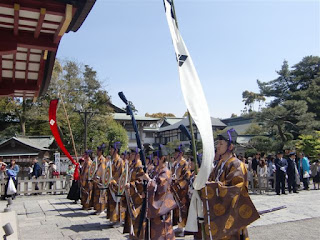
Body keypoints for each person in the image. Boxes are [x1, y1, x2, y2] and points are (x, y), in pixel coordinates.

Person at [200, 129, 259, 239]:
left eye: (221, 144)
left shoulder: (237, 165)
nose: (218, 146)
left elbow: (235, 189)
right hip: (220, 212)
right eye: (218, 143)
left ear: (230, 147)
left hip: (231, 214)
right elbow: (211, 180)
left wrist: (212, 186)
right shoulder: (220, 164)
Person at [140, 145, 177, 240]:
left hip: (162, 206)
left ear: (162, 158)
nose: (155, 160)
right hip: (156, 207)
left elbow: (160, 188)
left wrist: (148, 179)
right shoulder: (157, 170)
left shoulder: (166, 172)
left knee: (163, 230)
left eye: (157, 158)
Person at [123, 148, 145, 238]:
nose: (131, 156)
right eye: (131, 154)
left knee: (137, 215)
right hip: (130, 192)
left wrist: (131, 184)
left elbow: (141, 181)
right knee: (131, 214)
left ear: (137, 155)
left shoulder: (140, 166)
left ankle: (137, 235)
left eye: (133, 154)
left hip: (137, 194)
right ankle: (132, 233)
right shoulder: (132, 165)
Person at [171, 145, 191, 237]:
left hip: (181, 190)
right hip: (174, 188)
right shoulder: (174, 164)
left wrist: (179, 184)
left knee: (183, 208)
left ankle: (183, 227)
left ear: (181, 153)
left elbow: (187, 176)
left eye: (177, 152)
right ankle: (178, 225)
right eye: (174, 152)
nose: (175, 154)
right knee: (176, 208)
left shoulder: (185, 163)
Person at [107, 141, 125, 225]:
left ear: (116, 150)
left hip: (117, 186)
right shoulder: (112, 161)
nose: (110, 151)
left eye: (112, 149)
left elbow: (120, 175)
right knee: (112, 203)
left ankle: (119, 220)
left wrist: (113, 181)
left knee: (118, 203)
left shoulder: (120, 161)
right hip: (111, 185)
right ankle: (114, 219)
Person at [92, 144, 107, 215]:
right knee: (97, 195)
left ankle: (102, 209)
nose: (97, 152)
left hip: (101, 179)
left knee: (101, 195)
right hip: (96, 179)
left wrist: (99, 177)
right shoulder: (97, 159)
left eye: (98, 151)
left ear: (101, 151)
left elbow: (103, 170)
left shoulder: (103, 159)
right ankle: (97, 208)